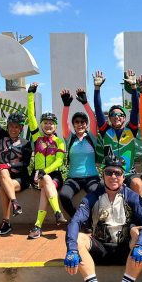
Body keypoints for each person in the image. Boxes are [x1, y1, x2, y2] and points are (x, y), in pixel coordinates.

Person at [64, 155, 142, 282]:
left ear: (124, 176)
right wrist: (71, 249)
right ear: (103, 174)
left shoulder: (132, 196)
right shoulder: (92, 197)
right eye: (109, 172)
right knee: (78, 239)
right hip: (100, 248)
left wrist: (140, 244)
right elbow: (75, 222)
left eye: (118, 173)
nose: (113, 176)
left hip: (125, 248)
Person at [0, 84, 32, 236]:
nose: (12, 129)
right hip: (2, 174)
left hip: (20, 177)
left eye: (16, 127)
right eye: (10, 126)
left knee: (3, 188)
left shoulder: (26, 143)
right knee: (3, 169)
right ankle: (15, 202)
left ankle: (6, 223)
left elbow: (25, 163)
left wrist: (10, 164)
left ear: (21, 129)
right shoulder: (2, 136)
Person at [25, 82, 67, 239]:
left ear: (55, 126)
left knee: (46, 187)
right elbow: (30, 116)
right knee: (45, 181)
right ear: (42, 125)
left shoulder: (60, 141)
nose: (48, 125)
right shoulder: (37, 138)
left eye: (51, 123)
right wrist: (31, 94)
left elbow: (59, 161)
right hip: (36, 175)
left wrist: (45, 171)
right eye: (45, 123)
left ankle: (37, 226)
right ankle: (57, 212)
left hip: (54, 176)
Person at [93, 69, 142, 195]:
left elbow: (136, 109)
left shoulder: (131, 130)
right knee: (99, 188)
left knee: (138, 183)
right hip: (111, 173)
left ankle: (141, 214)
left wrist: (133, 87)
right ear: (109, 118)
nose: (117, 116)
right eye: (113, 114)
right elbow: (98, 110)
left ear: (124, 118)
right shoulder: (106, 131)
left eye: (120, 114)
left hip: (128, 173)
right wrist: (97, 88)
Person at [58, 87, 100, 220]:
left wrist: (85, 103)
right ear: (74, 125)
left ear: (86, 124)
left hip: (91, 177)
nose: (80, 124)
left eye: (83, 122)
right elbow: (64, 123)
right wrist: (66, 106)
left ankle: (90, 221)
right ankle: (77, 218)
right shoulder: (70, 139)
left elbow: (93, 120)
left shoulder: (91, 137)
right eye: (77, 122)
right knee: (64, 195)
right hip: (73, 178)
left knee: (96, 193)